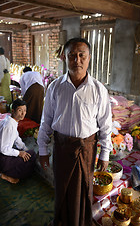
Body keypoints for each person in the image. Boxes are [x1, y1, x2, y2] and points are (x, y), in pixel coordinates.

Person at [37, 37, 112, 226]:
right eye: (72, 55)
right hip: (61, 147)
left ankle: (81, 221)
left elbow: (105, 124)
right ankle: (61, 220)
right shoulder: (55, 87)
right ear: (65, 57)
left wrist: (105, 153)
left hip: (86, 149)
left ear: (89, 58)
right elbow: (46, 121)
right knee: (62, 188)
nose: (77, 60)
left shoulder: (98, 89)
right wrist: (43, 150)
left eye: (81, 55)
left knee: (83, 189)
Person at [0, 98, 36, 184]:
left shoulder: (12, 121)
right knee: (31, 157)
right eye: (20, 110)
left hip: (3, 156)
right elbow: (3, 149)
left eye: (25, 111)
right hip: (2, 157)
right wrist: (19, 153)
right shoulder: (9, 125)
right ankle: (5, 174)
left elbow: (17, 139)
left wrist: (25, 149)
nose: (23, 113)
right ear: (13, 111)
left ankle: (6, 171)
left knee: (28, 153)